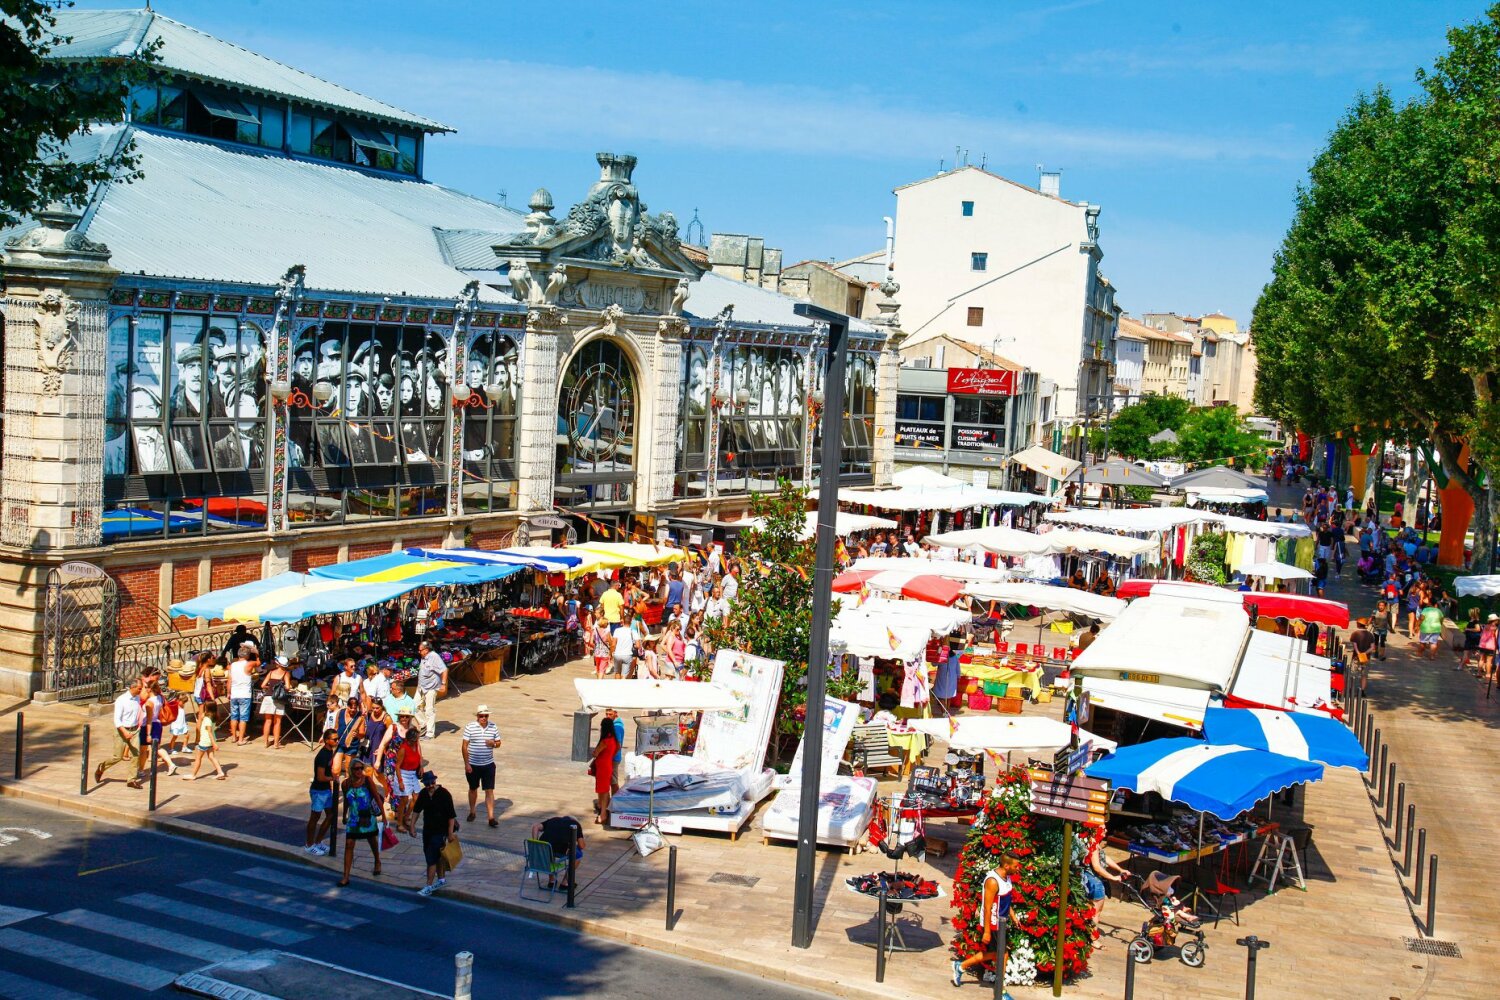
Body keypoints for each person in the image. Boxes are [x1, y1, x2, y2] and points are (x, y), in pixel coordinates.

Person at [954, 854, 1022, 993]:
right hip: (993, 924)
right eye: (1016, 866)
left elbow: (1005, 901)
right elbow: (987, 907)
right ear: (1006, 866)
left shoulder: (1007, 877)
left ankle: (961, 966)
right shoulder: (992, 881)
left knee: (995, 954)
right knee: (1002, 955)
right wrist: (986, 931)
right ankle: (1000, 991)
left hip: (1001, 923)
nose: (1018, 869)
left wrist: (1013, 916)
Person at [338, 759, 383, 886]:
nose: (359, 771)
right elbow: (346, 800)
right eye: (356, 769)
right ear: (350, 770)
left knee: (372, 841)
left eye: (360, 768)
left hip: (367, 817)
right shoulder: (346, 784)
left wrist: (383, 817)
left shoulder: (367, 781)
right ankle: (346, 876)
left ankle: (377, 860)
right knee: (349, 844)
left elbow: (376, 797)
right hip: (353, 818)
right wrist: (344, 815)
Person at [413, 770, 458, 896]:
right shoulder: (424, 794)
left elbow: (451, 816)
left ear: (435, 781)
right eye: (427, 784)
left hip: (440, 831)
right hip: (427, 830)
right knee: (437, 856)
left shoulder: (444, 794)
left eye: (432, 783)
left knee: (431, 859)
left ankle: (428, 885)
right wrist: (412, 826)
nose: (430, 786)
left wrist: (450, 833)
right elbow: (416, 810)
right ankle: (441, 879)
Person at [96, 677, 143, 786]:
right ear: (133, 687)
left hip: (134, 729)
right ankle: (102, 767)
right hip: (122, 730)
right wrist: (125, 732)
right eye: (140, 689)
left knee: (136, 755)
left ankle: (131, 780)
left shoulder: (137, 698)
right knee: (118, 757)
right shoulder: (121, 700)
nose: (141, 691)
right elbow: (117, 719)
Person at [461, 705, 501, 828]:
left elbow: (499, 743)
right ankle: (472, 811)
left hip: (488, 764)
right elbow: (464, 746)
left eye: (486, 716)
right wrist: (467, 763)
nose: (484, 718)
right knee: (473, 788)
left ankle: (491, 817)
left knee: (489, 790)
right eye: (481, 716)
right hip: (473, 765)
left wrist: (493, 744)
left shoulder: (493, 727)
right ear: (477, 716)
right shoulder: (470, 727)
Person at [306, 729, 337, 855]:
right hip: (319, 790)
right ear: (326, 740)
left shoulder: (330, 752)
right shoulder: (323, 755)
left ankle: (318, 841)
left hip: (326, 790)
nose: (336, 741)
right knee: (315, 817)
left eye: (336, 739)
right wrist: (333, 778)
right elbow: (320, 777)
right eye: (334, 739)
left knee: (331, 815)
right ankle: (309, 844)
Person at [534, 816, 584, 890]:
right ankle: (565, 882)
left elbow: (535, 827)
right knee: (578, 854)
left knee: (550, 850)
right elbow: (582, 845)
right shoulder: (575, 825)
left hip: (544, 849)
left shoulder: (553, 820)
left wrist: (535, 843)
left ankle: (552, 881)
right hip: (561, 849)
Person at [1085, 837, 1129, 923]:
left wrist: (1120, 869)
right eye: (1103, 828)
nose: (1105, 831)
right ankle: (1091, 935)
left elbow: (1103, 857)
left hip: (1090, 881)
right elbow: (1097, 867)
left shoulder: (1093, 842)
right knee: (1095, 914)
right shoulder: (1092, 843)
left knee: (1089, 912)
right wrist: (1113, 877)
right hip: (1094, 882)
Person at [394, 712, 423, 836]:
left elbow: (419, 755)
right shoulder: (403, 748)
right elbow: (397, 766)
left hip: (413, 774)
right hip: (404, 773)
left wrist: (421, 766)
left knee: (416, 798)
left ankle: (406, 817)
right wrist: (400, 781)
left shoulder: (416, 744)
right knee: (404, 799)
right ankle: (399, 823)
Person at [590, 715, 619, 825]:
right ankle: (603, 810)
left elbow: (595, 753)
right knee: (604, 788)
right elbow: (618, 748)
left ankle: (603, 814)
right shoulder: (614, 740)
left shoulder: (605, 741)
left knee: (603, 790)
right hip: (608, 765)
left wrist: (596, 753)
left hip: (602, 767)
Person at [416, 640, 448, 740]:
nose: (419, 652)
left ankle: (430, 733)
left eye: (420, 650)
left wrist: (443, 684)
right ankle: (424, 724)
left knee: (429, 710)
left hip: (431, 688)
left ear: (426, 650)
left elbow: (444, 670)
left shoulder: (434, 657)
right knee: (413, 706)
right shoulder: (423, 657)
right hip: (421, 687)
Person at [186, 701, 226, 780]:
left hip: (205, 741)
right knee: (211, 756)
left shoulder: (207, 719)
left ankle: (193, 775)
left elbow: (209, 732)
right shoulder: (213, 717)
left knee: (198, 758)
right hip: (210, 741)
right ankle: (220, 772)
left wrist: (214, 744)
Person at [227, 643, 256, 745]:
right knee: (243, 718)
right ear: (247, 655)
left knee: (234, 716)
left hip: (234, 693)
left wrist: (228, 692)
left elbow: (229, 680)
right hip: (244, 694)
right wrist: (256, 653)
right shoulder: (249, 664)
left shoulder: (232, 665)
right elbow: (259, 663)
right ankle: (241, 739)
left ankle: (234, 736)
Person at [331, 696, 366, 779]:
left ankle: (348, 789)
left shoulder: (360, 717)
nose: (353, 710)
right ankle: (334, 790)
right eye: (351, 708)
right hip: (340, 744)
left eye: (355, 708)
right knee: (335, 770)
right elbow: (336, 727)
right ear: (347, 706)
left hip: (352, 745)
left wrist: (357, 735)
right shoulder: (341, 713)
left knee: (348, 770)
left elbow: (362, 734)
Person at [259, 654, 290, 748]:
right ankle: (276, 743)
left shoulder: (271, 672)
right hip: (278, 698)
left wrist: (270, 687)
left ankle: (265, 742)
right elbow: (288, 687)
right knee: (277, 721)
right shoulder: (286, 673)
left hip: (268, 696)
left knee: (268, 720)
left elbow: (262, 685)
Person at [1349, 618, 1376, 695]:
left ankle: (1351, 689)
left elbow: (1355, 645)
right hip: (1366, 658)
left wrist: (1358, 653)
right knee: (1364, 675)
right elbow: (1372, 647)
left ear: (1358, 624)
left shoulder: (1355, 634)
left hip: (1356, 657)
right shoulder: (1370, 635)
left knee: (1353, 673)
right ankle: (1362, 691)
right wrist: (1364, 653)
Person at [590, 614, 613, 679]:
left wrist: (596, 646)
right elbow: (611, 643)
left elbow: (591, 642)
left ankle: (598, 681)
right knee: (602, 670)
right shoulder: (606, 632)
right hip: (604, 653)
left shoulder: (595, 630)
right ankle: (599, 684)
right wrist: (611, 653)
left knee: (598, 669)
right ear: (605, 624)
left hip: (597, 652)